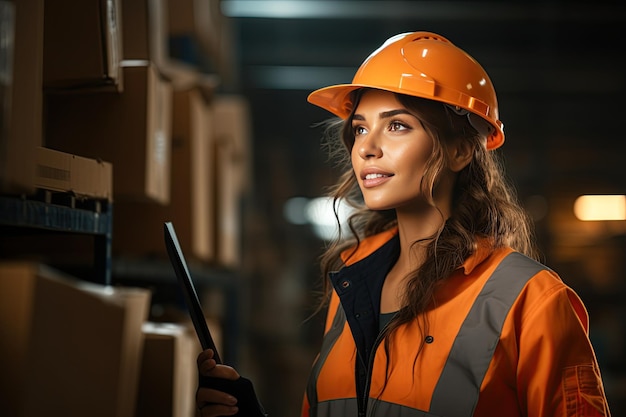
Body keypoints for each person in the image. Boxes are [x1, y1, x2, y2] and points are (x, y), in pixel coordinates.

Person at [196, 31, 612, 417]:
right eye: (360, 128)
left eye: (397, 125)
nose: (367, 148)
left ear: (461, 150)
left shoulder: (532, 300)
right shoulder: (351, 279)